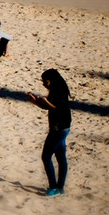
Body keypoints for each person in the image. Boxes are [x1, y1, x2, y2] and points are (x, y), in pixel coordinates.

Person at [28, 69, 72, 197]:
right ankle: (60, 187)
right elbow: (49, 107)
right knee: (60, 157)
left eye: (45, 81)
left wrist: (45, 102)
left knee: (46, 157)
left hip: (59, 129)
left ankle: (54, 187)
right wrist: (36, 102)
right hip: (61, 128)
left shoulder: (61, 92)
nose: (43, 84)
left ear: (51, 81)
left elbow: (58, 109)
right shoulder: (55, 90)